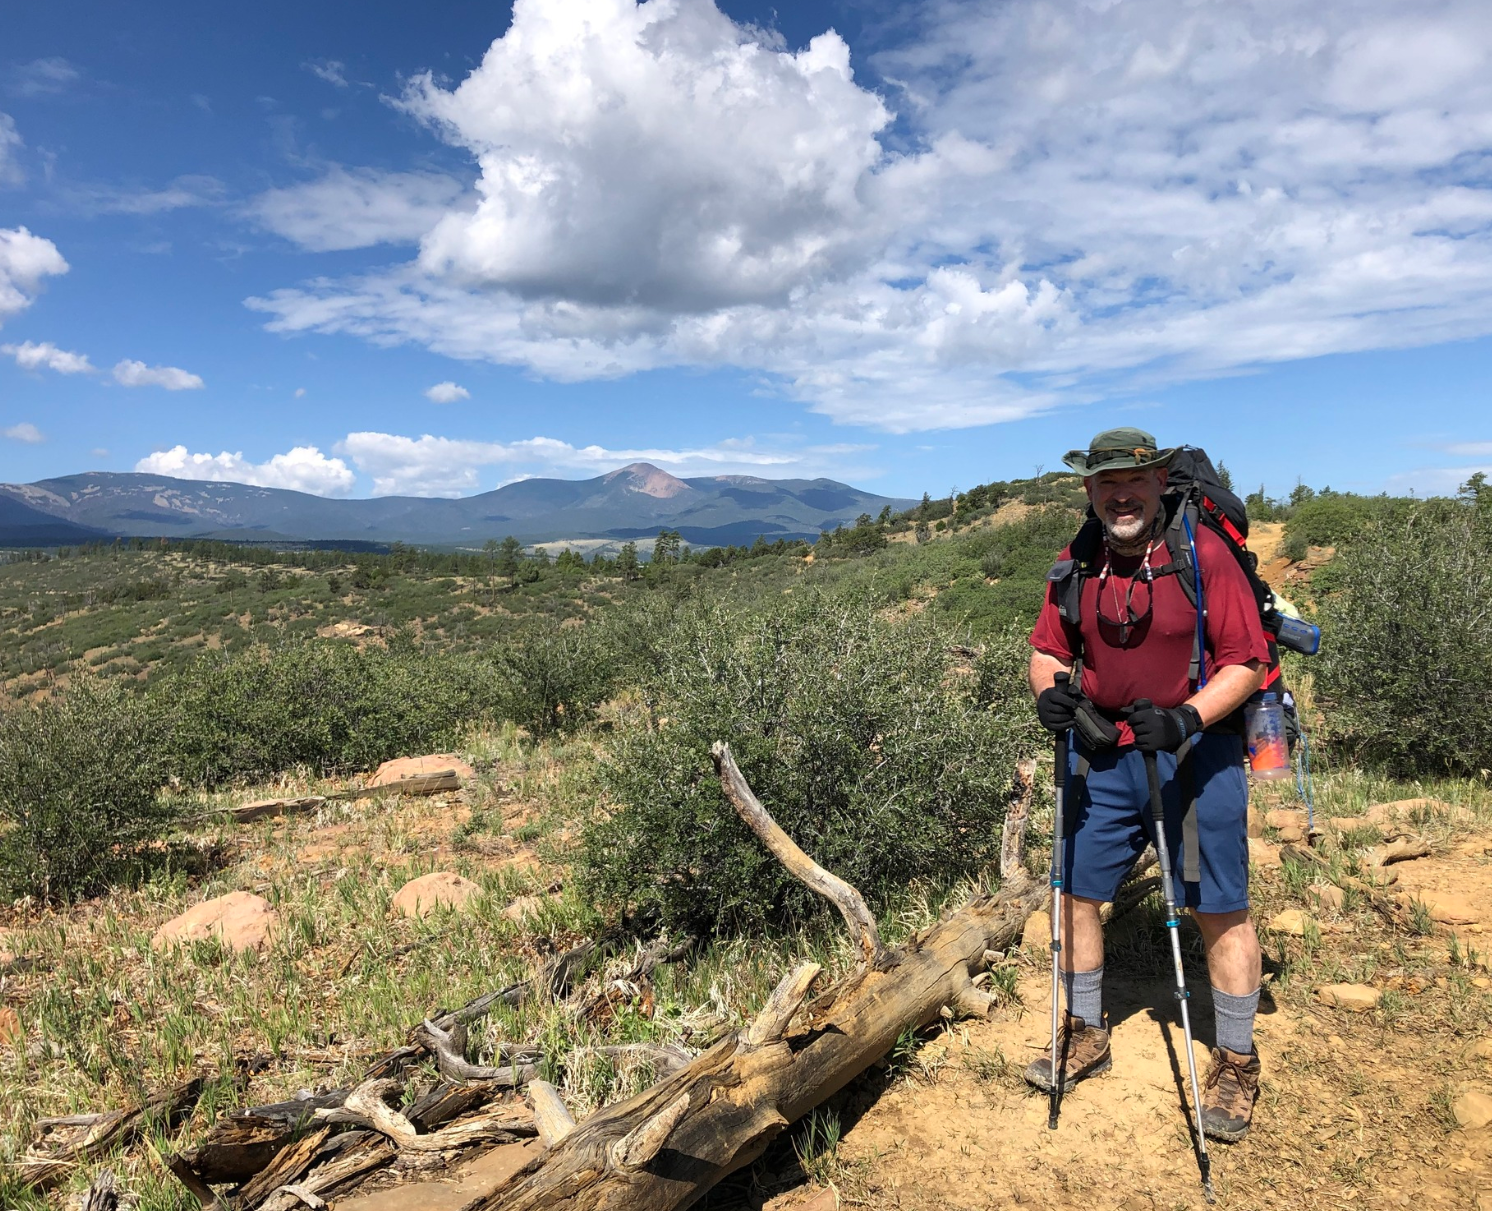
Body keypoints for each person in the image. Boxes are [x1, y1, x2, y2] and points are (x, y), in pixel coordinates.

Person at [1023, 427, 1269, 1143]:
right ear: (1090, 491)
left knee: (1219, 908)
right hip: (1104, 754)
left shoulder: (1205, 555)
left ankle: (1234, 1061)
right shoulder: (1078, 560)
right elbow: (1047, 648)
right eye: (1106, 483)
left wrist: (1186, 715)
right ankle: (1086, 1032)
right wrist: (1049, 694)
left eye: (1133, 480)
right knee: (1075, 896)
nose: (1120, 494)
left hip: (1196, 755)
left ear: (1160, 482)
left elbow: (1246, 662)